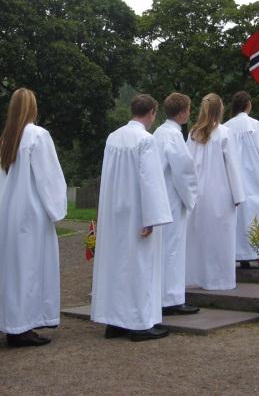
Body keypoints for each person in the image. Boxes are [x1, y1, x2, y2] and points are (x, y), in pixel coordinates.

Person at [0, 88, 67, 347]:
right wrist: (56, 209)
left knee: (12, 269)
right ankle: (20, 326)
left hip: (7, 212)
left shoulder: (7, 138)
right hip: (30, 213)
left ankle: (9, 320)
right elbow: (48, 177)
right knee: (28, 269)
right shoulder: (38, 135)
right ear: (33, 107)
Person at [91, 94, 173, 341]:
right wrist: (152, 217)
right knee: (140, 266)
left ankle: (115, 321)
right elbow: (151, 181)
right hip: (137, 212)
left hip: (115, 211)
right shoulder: (146, 140)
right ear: (151, 113)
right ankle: (139, 323)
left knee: (116, 266)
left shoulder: (113, 137)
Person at [185, 93, 245, 290]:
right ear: (220, 110)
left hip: (198, 193)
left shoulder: (193, 133)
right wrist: (238, 195)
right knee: (221, 236)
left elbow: (187, 164)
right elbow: (233, 166)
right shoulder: (225, 133)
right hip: (220, 192)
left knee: (199, 236)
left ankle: (197, 276)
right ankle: (219, 279)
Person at [153, 92, 199, 316]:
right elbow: (184, 170)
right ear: (182, 113)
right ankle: (171, 298)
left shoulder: (159, 133)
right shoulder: (173, 135)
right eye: (188, 110)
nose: (189, 113)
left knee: (163, 249)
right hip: (172, 198)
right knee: (173, 248)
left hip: (160, 198)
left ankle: (162, 294)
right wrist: (191, 198)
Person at [224, 91, 259, 268]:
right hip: (254, 175)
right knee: (258, 210)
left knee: (239, 214)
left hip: (235, 176)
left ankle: (240, 254)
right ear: (248, 104)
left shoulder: (227, 126)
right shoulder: (256, 125)